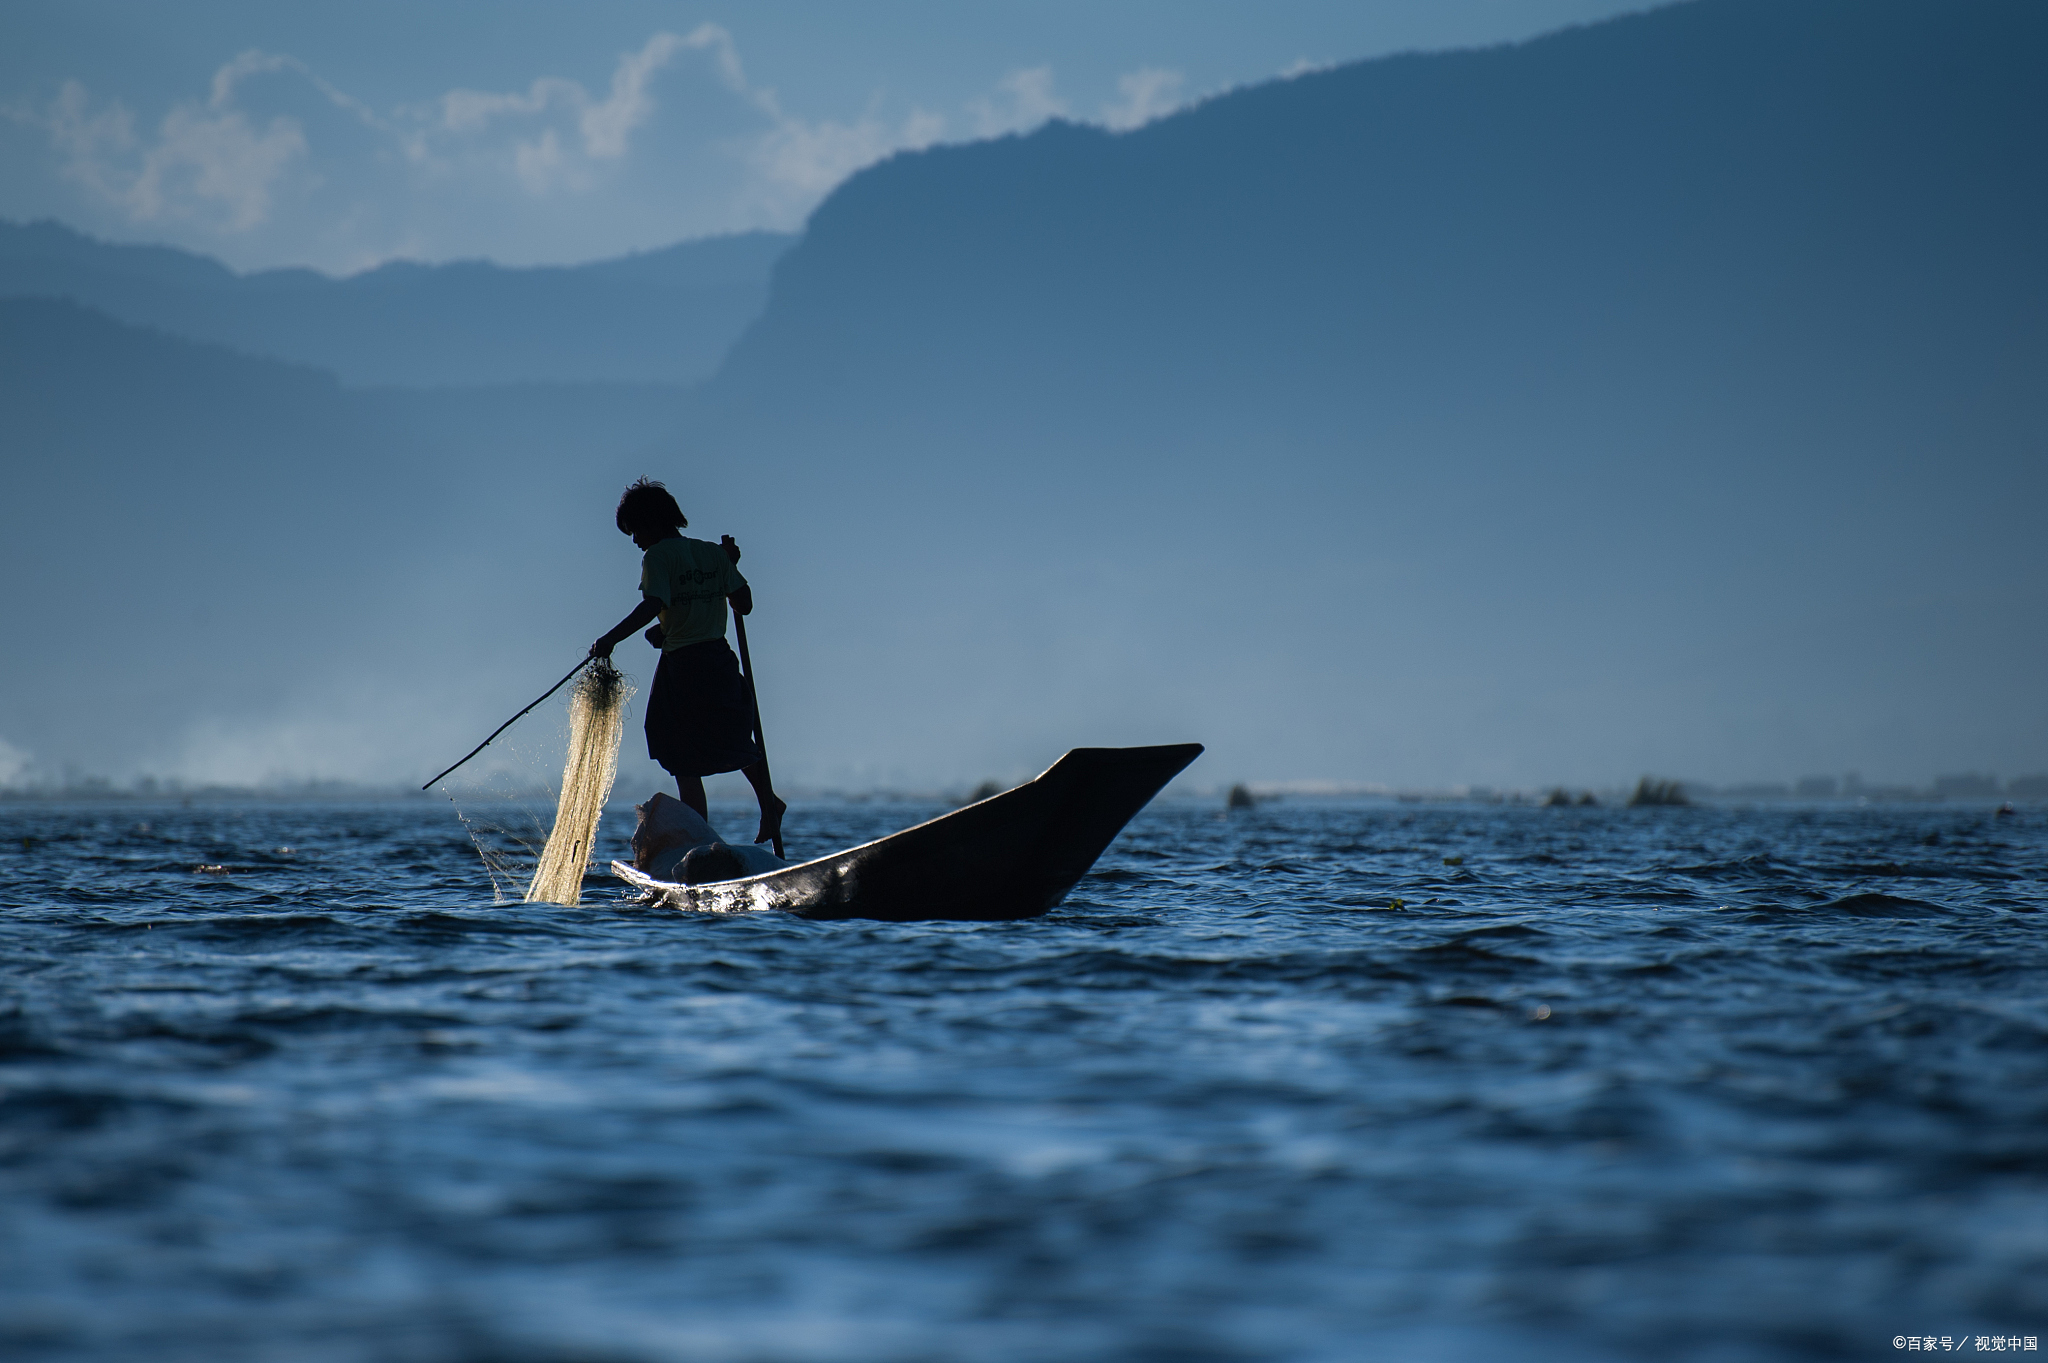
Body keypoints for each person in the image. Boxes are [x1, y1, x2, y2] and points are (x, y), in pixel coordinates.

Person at [590, 478, 786, 856]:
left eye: (635, 530)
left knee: (679, 749)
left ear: (653, 522)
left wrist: (610, 639)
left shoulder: (658, 557)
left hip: (684, 668)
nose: (635, 541)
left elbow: (652, 604)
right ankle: (767, 803)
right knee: (732, 738)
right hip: (718, 660)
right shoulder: (712, 554)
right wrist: (729, 566)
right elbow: (742, 604)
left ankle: (699, 839)